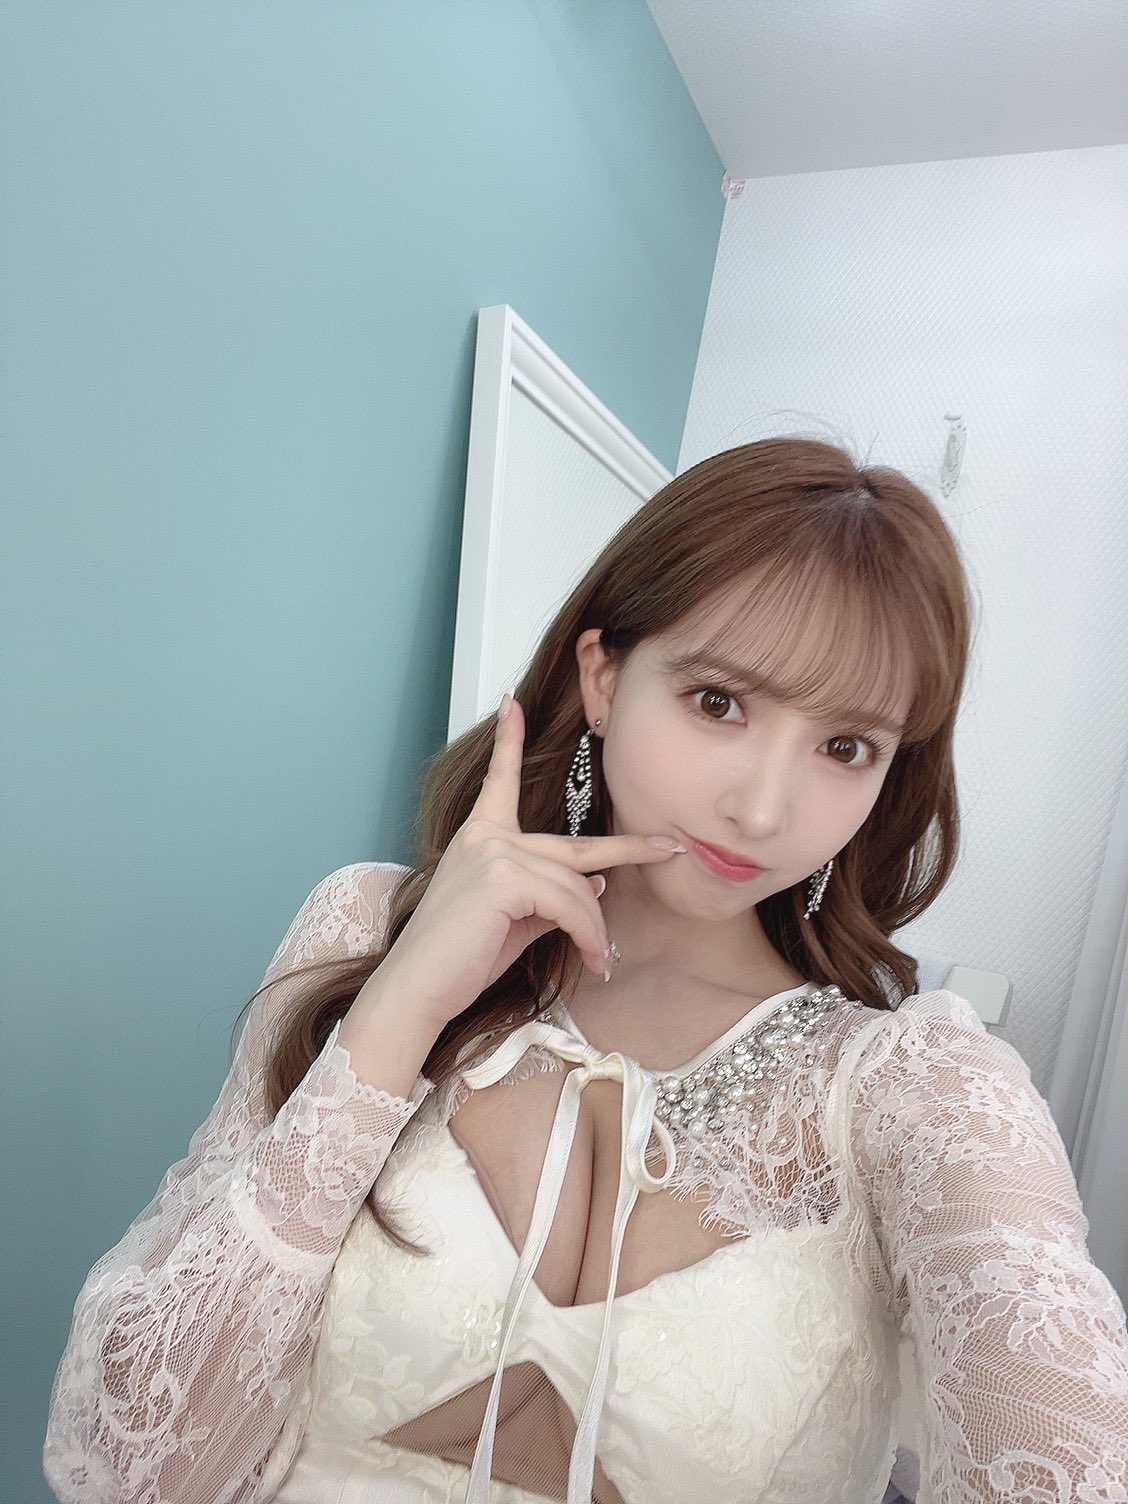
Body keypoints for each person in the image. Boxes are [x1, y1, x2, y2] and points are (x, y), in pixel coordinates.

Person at [44, 438, 1128, 1504]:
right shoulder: (363, 928)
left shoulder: (916, 1093)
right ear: (603, 676)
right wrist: (401, 1006)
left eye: (845, 747)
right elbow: (141, 1467)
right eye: (719, 702)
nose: (762, 809)